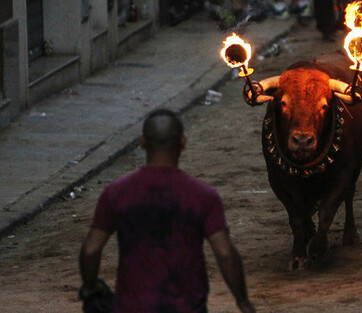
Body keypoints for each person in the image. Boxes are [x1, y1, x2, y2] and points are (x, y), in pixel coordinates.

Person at [78, 109, 256, 313]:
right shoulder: (203, 195)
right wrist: (242, 301)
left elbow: (91, 250)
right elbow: (224, 253)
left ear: (143, 142)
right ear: (183, 142)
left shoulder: (116, 192)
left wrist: (90, 288)